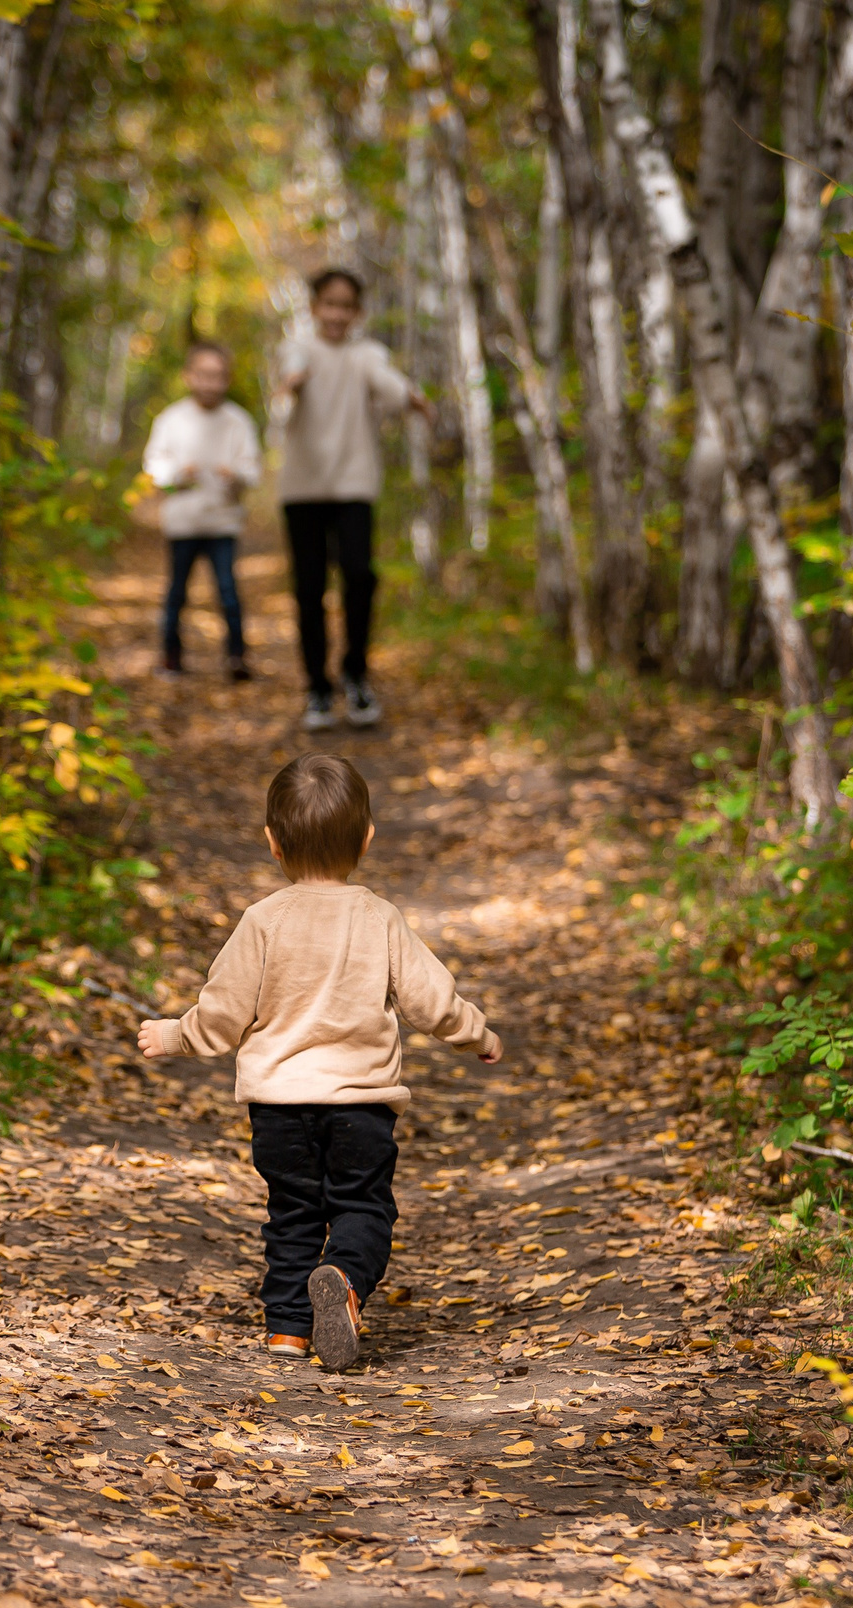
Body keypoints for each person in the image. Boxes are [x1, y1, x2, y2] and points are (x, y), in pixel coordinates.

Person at [135, 753, 502, 1371]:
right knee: (364, 1208)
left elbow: (224, 1009)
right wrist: (477, 1033)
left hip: (279, 1109)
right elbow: (429, 1000)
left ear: (273, 845)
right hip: (360, 1105)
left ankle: (287, 1331)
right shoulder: (379, 918)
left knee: (292, 1212)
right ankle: (345, 1278)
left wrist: (177, 1035)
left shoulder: (262, 922)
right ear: (366, 839)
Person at [273, 270, 428, 732]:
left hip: (354, 485)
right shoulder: (296, 349)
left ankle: (355, 674)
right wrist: (292, 383)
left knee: (360, 576)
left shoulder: (366, 354)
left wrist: (411, 398)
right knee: (309, 588)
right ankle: (318, 688)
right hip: (302, 488)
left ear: (357, 313)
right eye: (328, 304)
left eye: (346, 306)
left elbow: (385, 381)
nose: (337, 314)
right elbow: (289, 373)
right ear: (314, 307)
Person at [142, 341, 264, 681]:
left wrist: (235, 476)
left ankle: (236, 658)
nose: (211, 383)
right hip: (182, 523)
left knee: (227, 590)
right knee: (177, 591)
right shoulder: (170, 419)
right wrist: (180, 474)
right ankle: (171, 657)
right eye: (204, 375)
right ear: (189, 376)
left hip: (222, 522)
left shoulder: (238, 422)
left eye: (219, 376)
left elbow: (253, 470)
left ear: (227, 379)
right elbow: (154, 472)